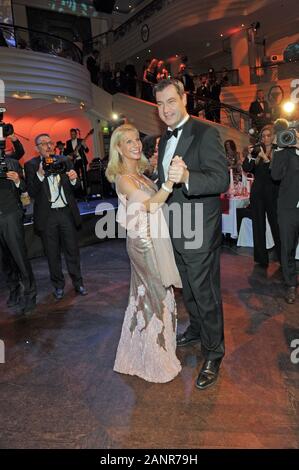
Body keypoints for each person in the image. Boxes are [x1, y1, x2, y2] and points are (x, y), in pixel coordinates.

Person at [154, 78, 229, 390]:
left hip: (199, 230)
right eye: (160, 104)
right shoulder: (164, 139)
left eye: (171, 101)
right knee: (189, 289)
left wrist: (187, 176)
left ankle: (214, 352)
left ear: (184, 98)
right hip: (176, 229)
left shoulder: (205, 132)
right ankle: (197, 330)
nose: (166, 109)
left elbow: (220, 180)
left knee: (205, 292)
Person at [106, 124, 182, 383]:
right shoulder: (123, 179)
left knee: (155, 295)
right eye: (128, 141)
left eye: (137, 139)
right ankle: (154, 358)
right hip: (142, 243)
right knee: (155, 293)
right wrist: (171, 182)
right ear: (118, 148)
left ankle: (154, 349)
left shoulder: (141, 174)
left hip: (154, 238)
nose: (136, 144)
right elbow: (150, 206)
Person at [24, 134, 88, 300]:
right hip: (47, 216)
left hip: (66, 213)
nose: (48, 146)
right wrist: (39, 174)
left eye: (50, 142)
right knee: (52, 254)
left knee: (72, 251)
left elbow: (77, 187)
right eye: (43, 144)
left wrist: (74, 179)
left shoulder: (64, 160)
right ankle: (58, 286)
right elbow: (31, 192)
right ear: (36, 148)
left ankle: (78, 283)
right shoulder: (31, 165)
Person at [0, 156, 36, 314]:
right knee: (4, 260)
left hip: (10, 215)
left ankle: (30, 294)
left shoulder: (11, 162)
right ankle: (14, 290)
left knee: (20, 258)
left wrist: (17, 181)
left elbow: (24, 188)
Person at [242, 125, 281, 267]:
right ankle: (260, 259)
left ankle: (282, 258)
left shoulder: (278, 150)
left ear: (273, 136)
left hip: (272, 193)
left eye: (268, 135)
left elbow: (278, 173)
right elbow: (246, 168)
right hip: (257, 193)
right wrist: (250, 155)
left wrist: (266, 159)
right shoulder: (258, 150)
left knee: (276, 225)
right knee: (258, 225)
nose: (265, 138)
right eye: (263, 136)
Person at [271, 123, 299, 304]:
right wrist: (280, 149)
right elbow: (275, 175)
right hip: (288, 208)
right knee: (287, 246)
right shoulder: (285, 153)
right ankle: (290, 284)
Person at [64, 129, 89, 197]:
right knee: (76, 177)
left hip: (82, 160)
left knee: (84, 176)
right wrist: (69, 156)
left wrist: (85, 145)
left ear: (76, 134)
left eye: (74, 134)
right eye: (71, 134)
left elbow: (87, 151)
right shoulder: (68, 142)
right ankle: (79, 193)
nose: (73, 135)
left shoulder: (80, 141)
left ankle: (86, 193)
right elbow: (68, 152)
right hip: (74, 162)